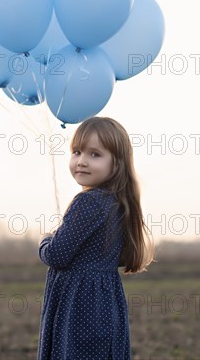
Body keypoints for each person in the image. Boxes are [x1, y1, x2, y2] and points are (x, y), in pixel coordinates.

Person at [37, 116, 155, 360]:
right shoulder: (117, 202)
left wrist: (45, 240)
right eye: (77, 152)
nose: (81, 162)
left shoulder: (88, 202)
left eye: (95, 155)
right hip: (105, 303)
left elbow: (57, 254)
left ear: (117, 163)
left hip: (79, 306)